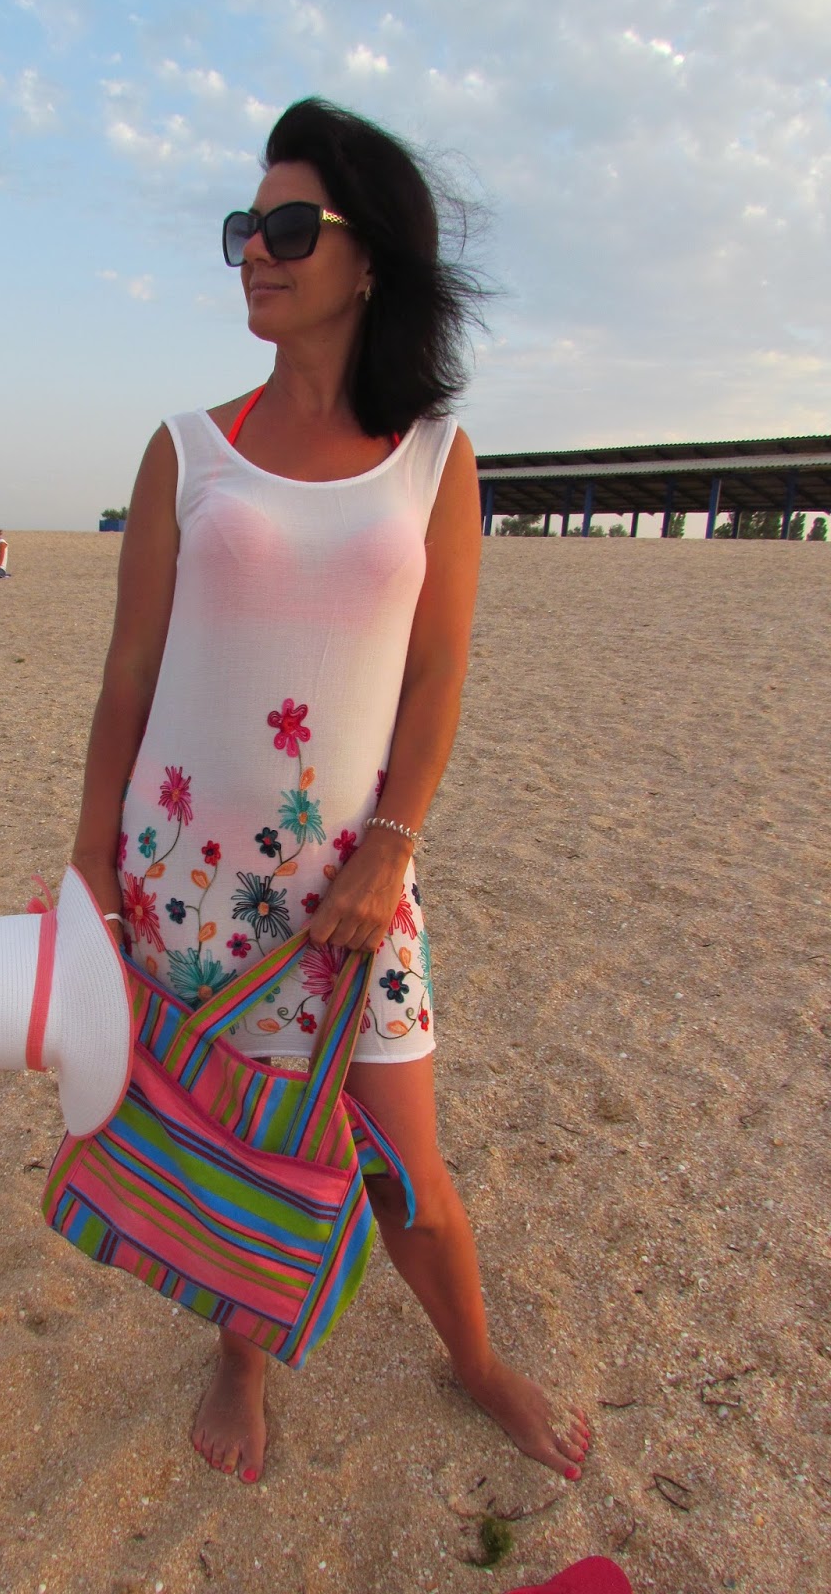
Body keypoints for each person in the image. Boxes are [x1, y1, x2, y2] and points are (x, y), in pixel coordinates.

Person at [69, 97, 590, 1487]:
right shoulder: (188, 448)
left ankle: (475, 1360)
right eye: (246, 228)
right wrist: (88, 868)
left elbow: (436, 675)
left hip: (356, 887)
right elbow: (129, 674)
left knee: (409, 1170)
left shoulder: (436, 457)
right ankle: (240, 1355)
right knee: (232, 1142)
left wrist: (391, 850)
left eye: (290, 227)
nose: (257, 250)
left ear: (370, 259)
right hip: (186, 877)